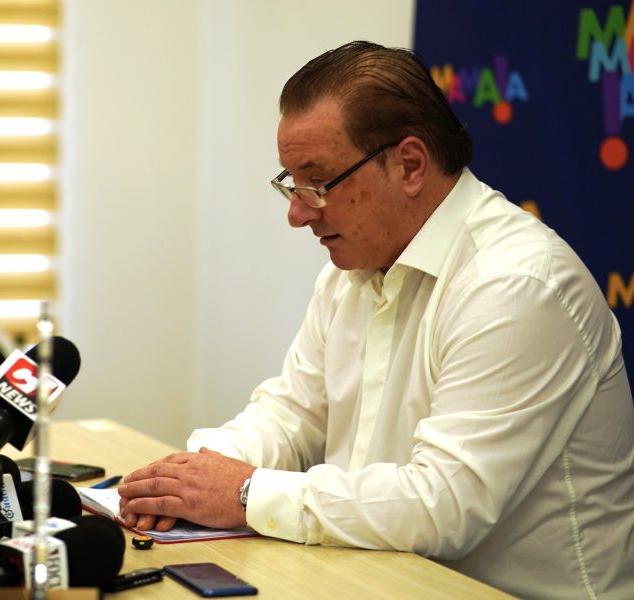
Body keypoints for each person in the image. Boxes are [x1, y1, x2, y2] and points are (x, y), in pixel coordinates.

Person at [117, 41, 634, 599]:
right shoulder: (352, 269)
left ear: (409, 165)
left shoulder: (516, 284)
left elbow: (444, 506)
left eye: (318, 182)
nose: (297, 213)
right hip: (376, 580)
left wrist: (244, 494)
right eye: (291, 182)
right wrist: (194, 475)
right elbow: (294, 415)